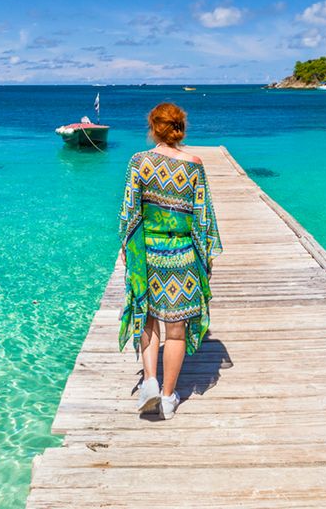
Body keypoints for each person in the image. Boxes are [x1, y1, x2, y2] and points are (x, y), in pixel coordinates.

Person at [116, 102, 221, 419]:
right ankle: (168, 397)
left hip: (148, 253)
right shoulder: (194, 164)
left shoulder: (139, 162)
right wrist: (206, 261)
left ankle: (149, 381)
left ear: (153, 127)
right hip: (182, 255)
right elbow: (204, 218)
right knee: (176, 331)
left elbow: (129, 212)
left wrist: (127, 249)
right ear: (180, 128)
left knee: (147, 318)